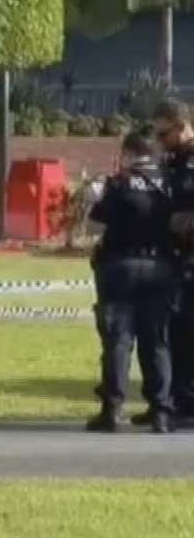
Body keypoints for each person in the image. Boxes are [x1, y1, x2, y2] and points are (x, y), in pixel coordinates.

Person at [86, 126, 178, 434]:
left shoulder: (119, 183)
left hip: (119, 266)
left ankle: (112, 409)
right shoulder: (168, 183)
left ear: (127, 153)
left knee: (118, 340)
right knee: (158, 341)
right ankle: (161, 411)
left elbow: (94, 227)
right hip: (161, 267)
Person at [152, 98, 194, 426]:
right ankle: (179, 402)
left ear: (182, 127)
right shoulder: (174, 161)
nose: (158, 142)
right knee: (176, 333)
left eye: (164, 134)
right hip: (176, 259)